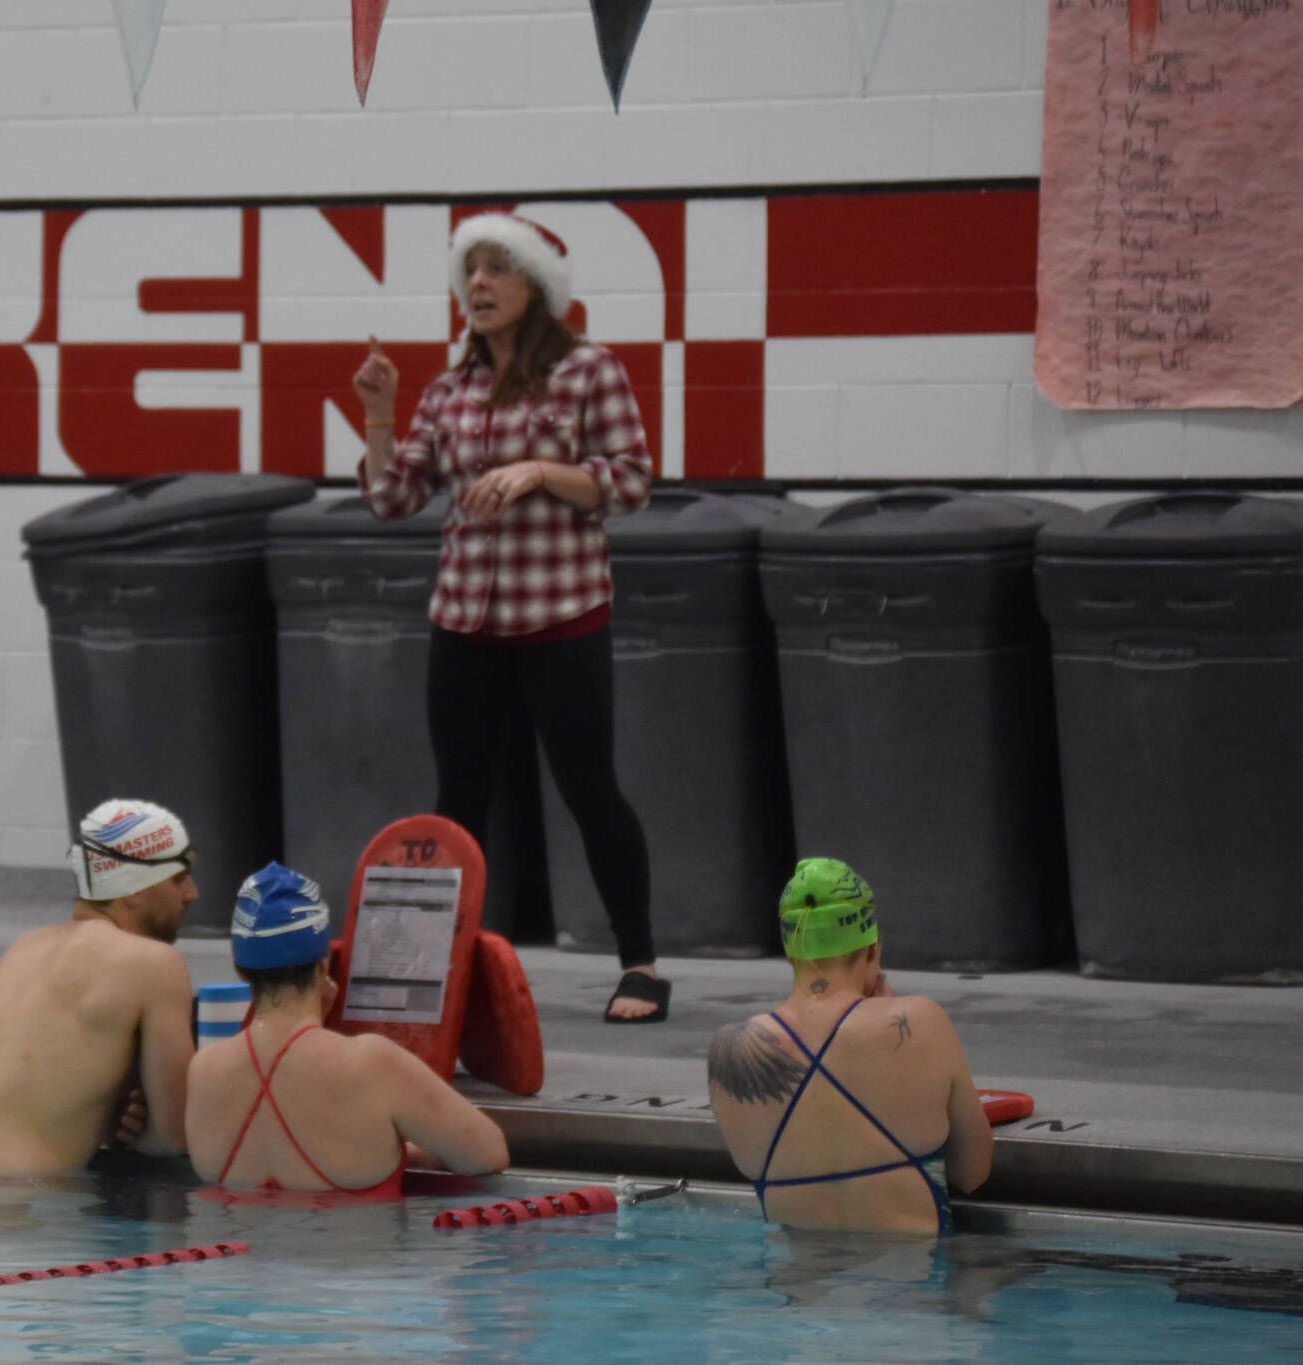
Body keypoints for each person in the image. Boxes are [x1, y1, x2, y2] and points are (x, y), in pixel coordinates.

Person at [353, 213, 663, 1023]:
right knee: (459, 796)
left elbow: (630, 481)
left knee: (589, 788)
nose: (479, 284)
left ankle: (640, 963)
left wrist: (540, 470)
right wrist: (380, 415)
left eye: (498, 268)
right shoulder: (449, 390)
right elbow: (391, 498)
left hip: (561, 615)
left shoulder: (589, 371)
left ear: (537, 287)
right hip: (464, 621)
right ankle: (438, 971)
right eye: (471, 270)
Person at [0, 798, 197, 1176]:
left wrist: (115, 1112)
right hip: (15, 1206)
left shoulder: (22, 948)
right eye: (179, 878)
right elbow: (175, 1139)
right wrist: (136, 1133)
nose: (192, 893)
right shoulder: (154, 963)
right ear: (134, 889)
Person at [706, 858, 994, 1234]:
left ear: (792, 952)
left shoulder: (730, 1051)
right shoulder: (921, 1022)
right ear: (872, 948)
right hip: (914, 1286)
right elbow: (972, 1173)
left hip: (800, 1290)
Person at [185, 861, 509, 1195]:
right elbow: (488, 1155)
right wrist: (417, 1155)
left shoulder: (203, 1071)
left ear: (241, 970)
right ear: (324, 964)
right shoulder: (371, 1063)